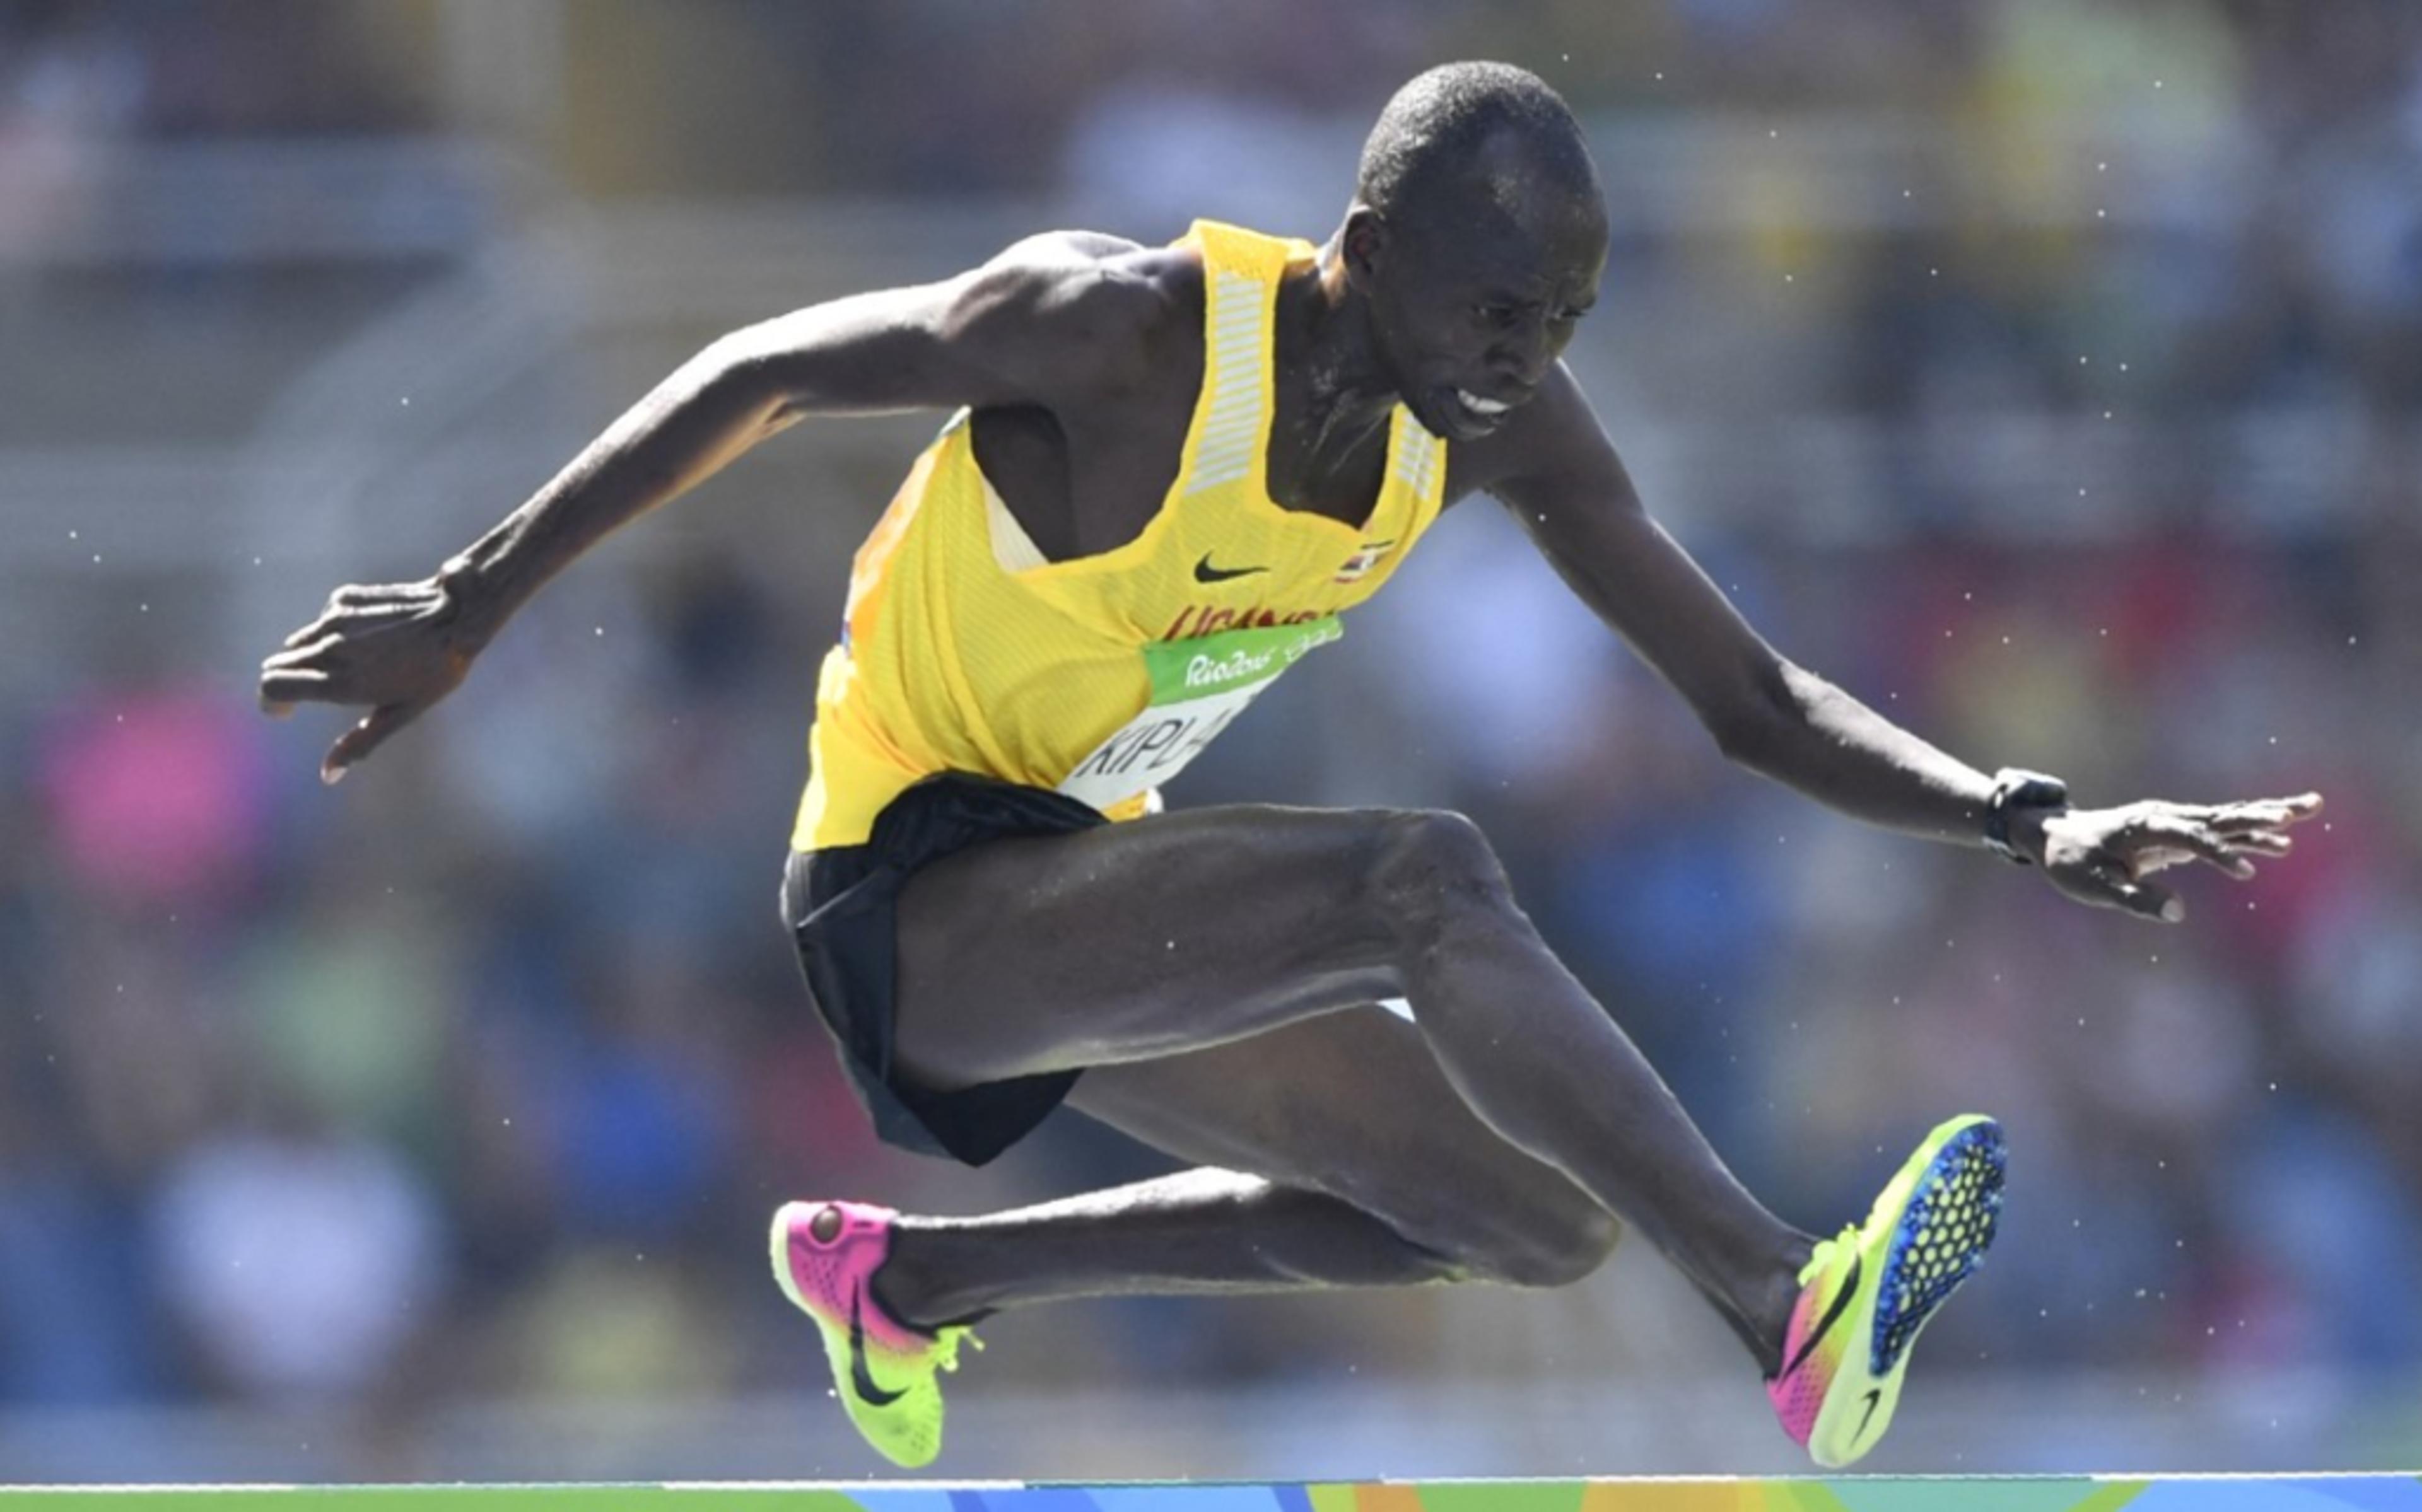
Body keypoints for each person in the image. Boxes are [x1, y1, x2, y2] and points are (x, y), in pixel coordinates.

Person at [258, 62, 2318, 1471]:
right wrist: (470, 600)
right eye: (1499, 303)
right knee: (1414, 879)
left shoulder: (1491, 425)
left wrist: (2017, 810)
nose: (1527, 353)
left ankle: (906, 1283)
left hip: (1084, 890)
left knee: (1522, 1222)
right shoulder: (1131, 330)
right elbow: (768, 369)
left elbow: (1750, 703)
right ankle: (1790, 1304)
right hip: (902, 889)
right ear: (1368, 243)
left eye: (1569, 315)